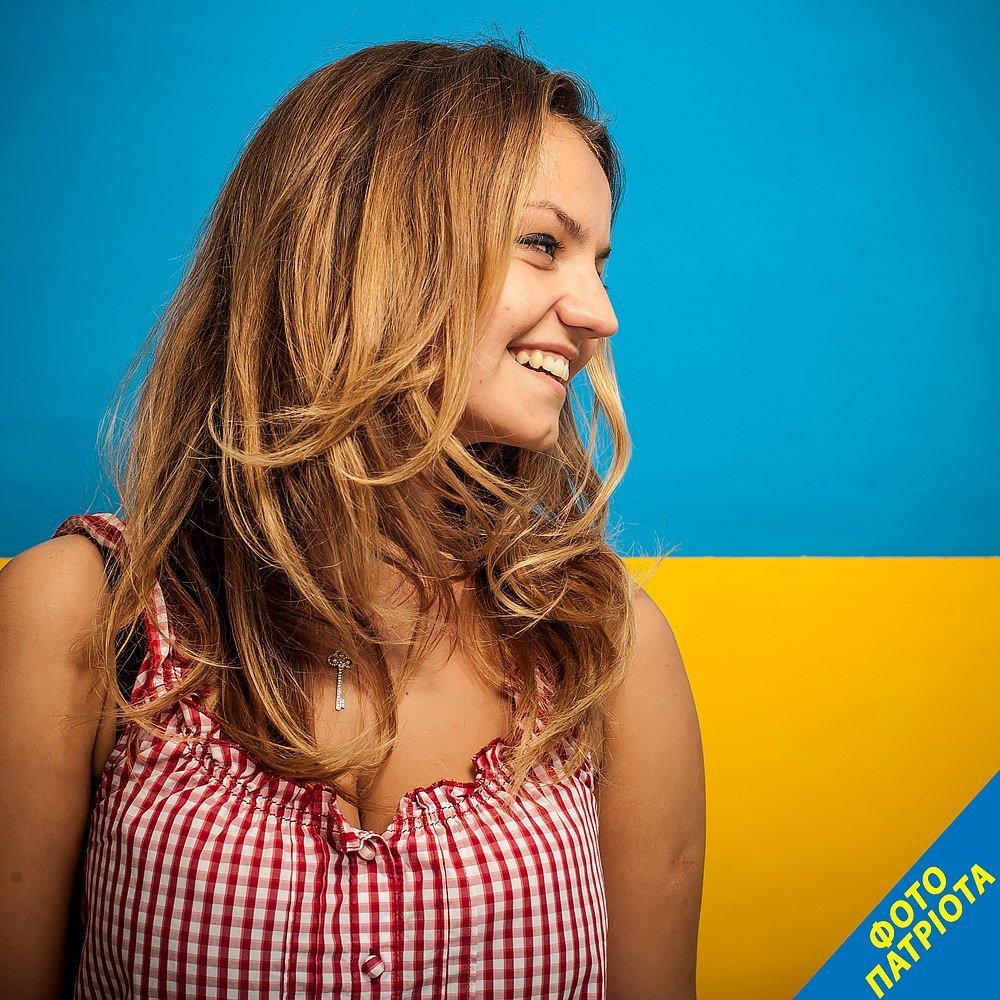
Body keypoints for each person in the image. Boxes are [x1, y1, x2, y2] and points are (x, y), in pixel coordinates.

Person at [0, 37, 705, 999]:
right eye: (544, 244)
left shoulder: (605, 648)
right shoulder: (80, 617)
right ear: (367, 251)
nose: (599, 314)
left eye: (600, 263)